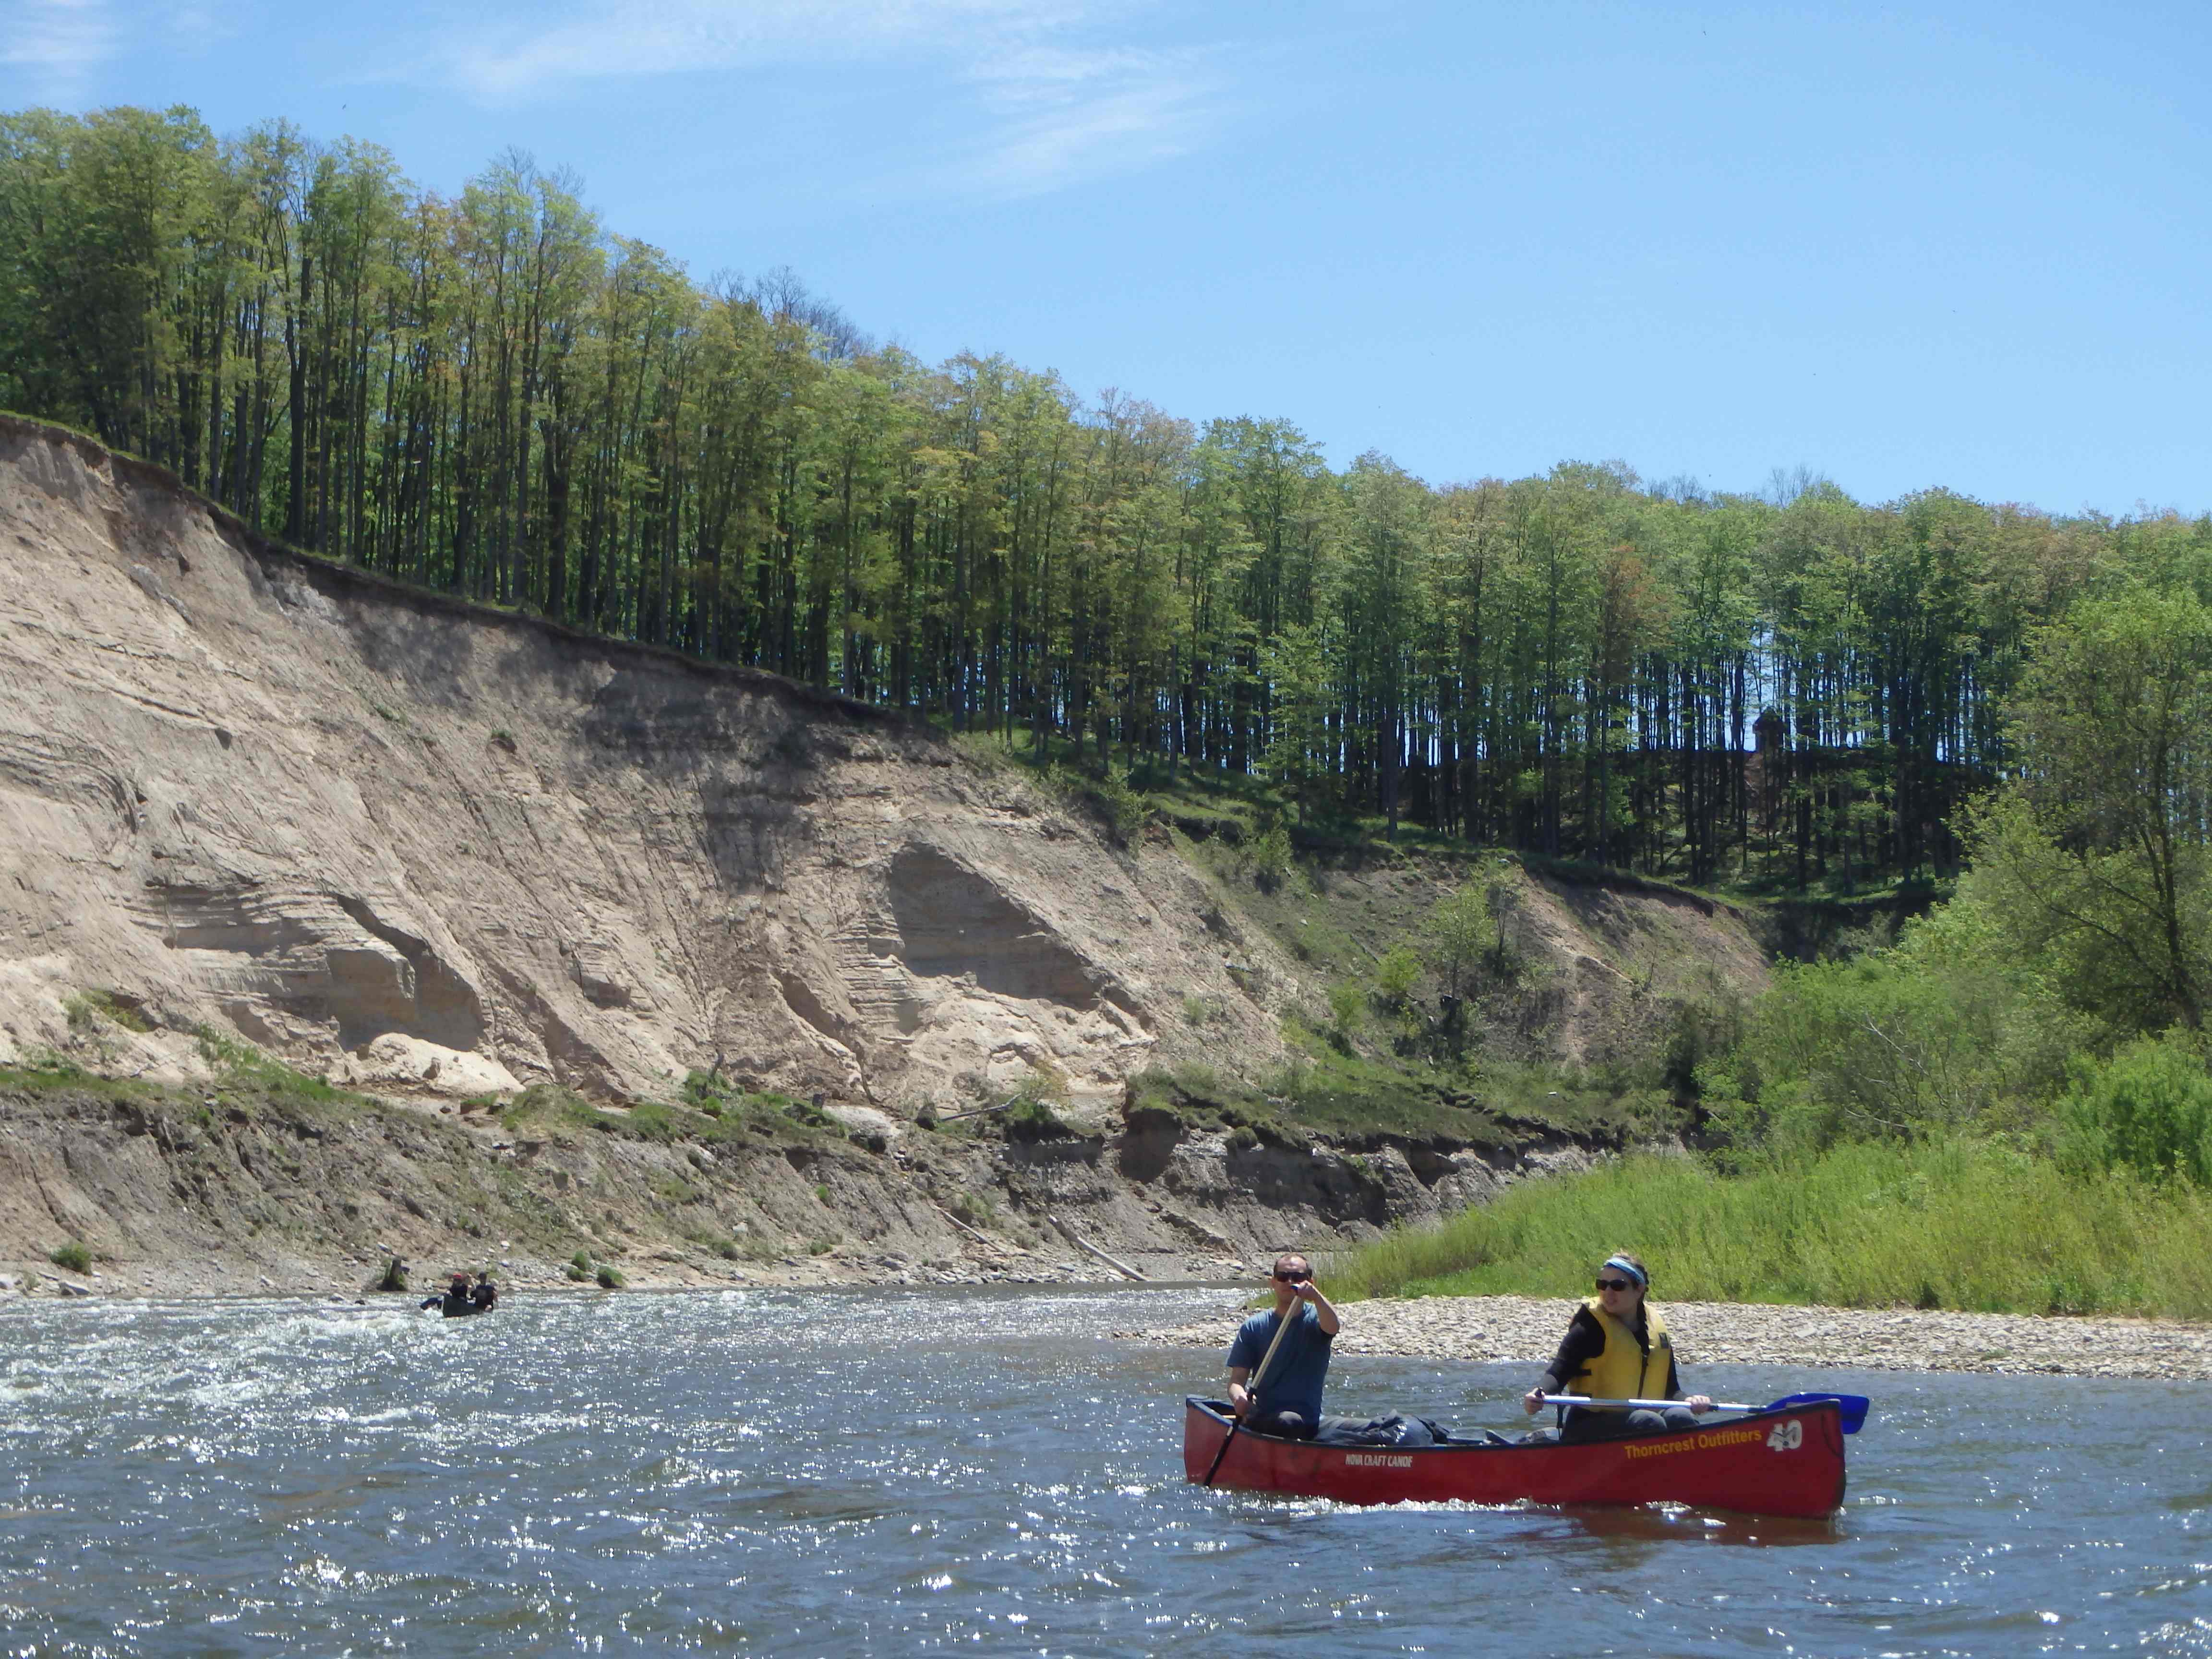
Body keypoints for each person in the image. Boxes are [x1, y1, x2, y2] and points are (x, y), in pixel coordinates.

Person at [1520, 1252, 1712, 1442]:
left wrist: (1688, 1401)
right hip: (1587, 1425)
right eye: (1602, 1285)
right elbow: (1559, 1372)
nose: (1608, 1292)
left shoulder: (1656, 1330)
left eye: (1618, 1286)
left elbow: (1671, 1390)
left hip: (1641, 1422)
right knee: (1648, 1421)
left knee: (1681, 1417)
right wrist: (1540, 1392)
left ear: (1639, 1289)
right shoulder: (1589, 1326)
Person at [1225, 1253, 1341, 1440]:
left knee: (1380, 1428)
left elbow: (1333, 1327)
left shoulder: (1317, 1318)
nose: (1290, 1282)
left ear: (1310, 1282)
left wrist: (1316, 1297)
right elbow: (1236, 1381)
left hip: (1312, 1420)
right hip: (1270, 1418)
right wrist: (1239, 1397)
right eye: (1283, 1276)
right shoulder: (1254, 1327)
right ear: (1273, 1282)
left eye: (1298, 1277)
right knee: (1289, 1421)